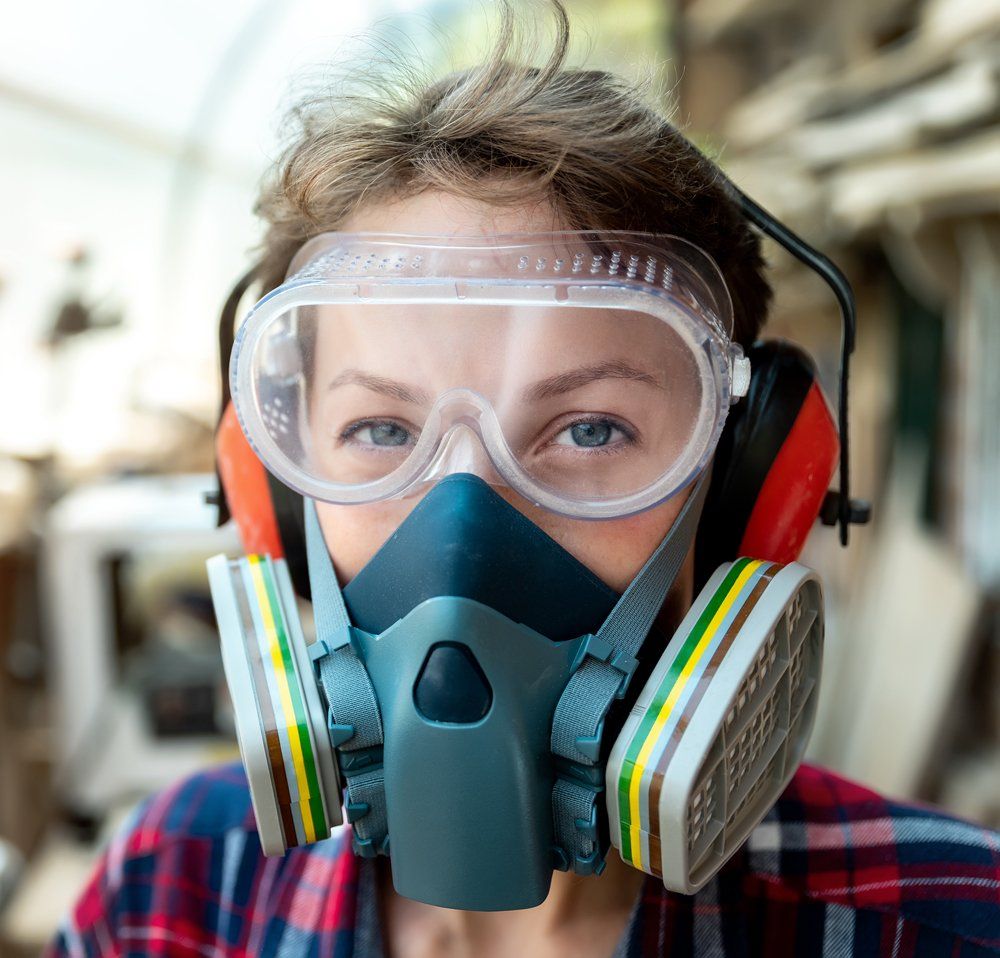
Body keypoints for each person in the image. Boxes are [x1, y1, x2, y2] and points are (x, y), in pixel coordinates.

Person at [48, 3, 1000, 956]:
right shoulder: (169, 887)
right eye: (382, 429)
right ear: (280, 496)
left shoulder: (944, 923)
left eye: (590, 429)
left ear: (745, 491)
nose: (461, 530)